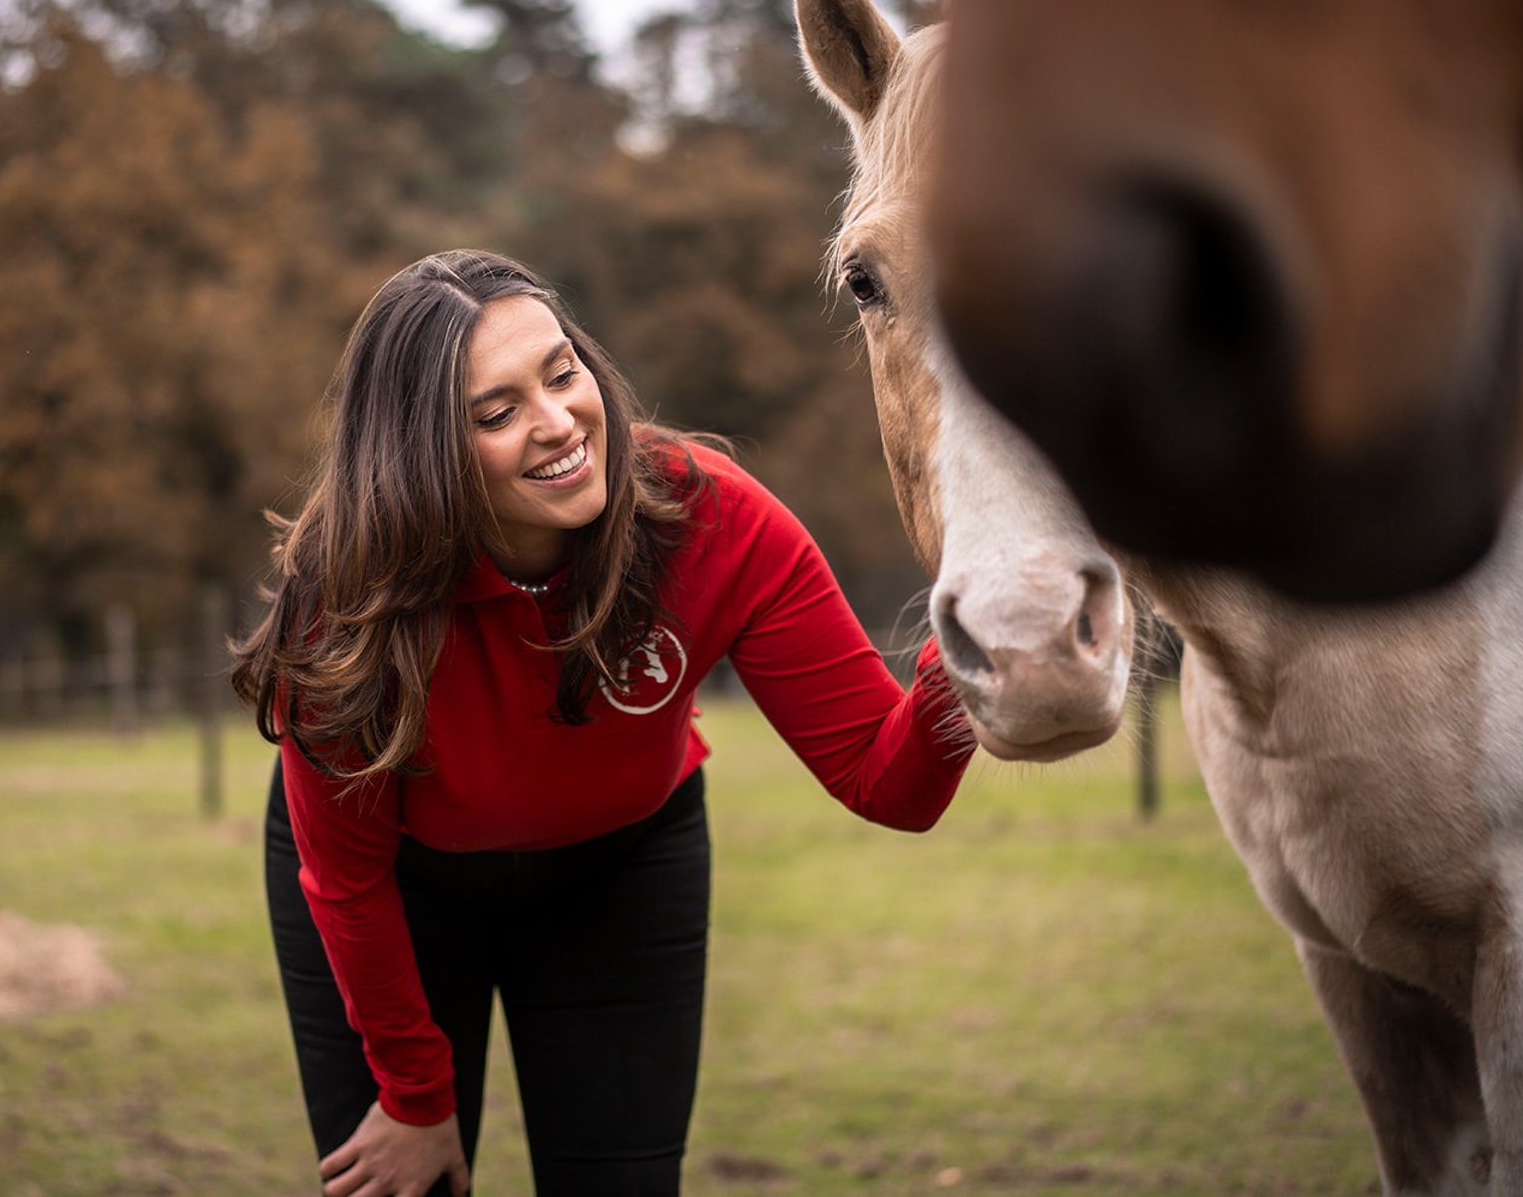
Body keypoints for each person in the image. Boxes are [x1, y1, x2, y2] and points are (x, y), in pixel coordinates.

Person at [232, 249, 974, 1196]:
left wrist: (972, 644)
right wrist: (419, 1100)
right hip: (394, 889)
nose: (558, 425)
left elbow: (889, 780)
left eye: (562, 372)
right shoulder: (344, 599)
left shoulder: (714, 519)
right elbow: (344, 881)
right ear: (423, 452)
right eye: (496, 413)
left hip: (622, 867)